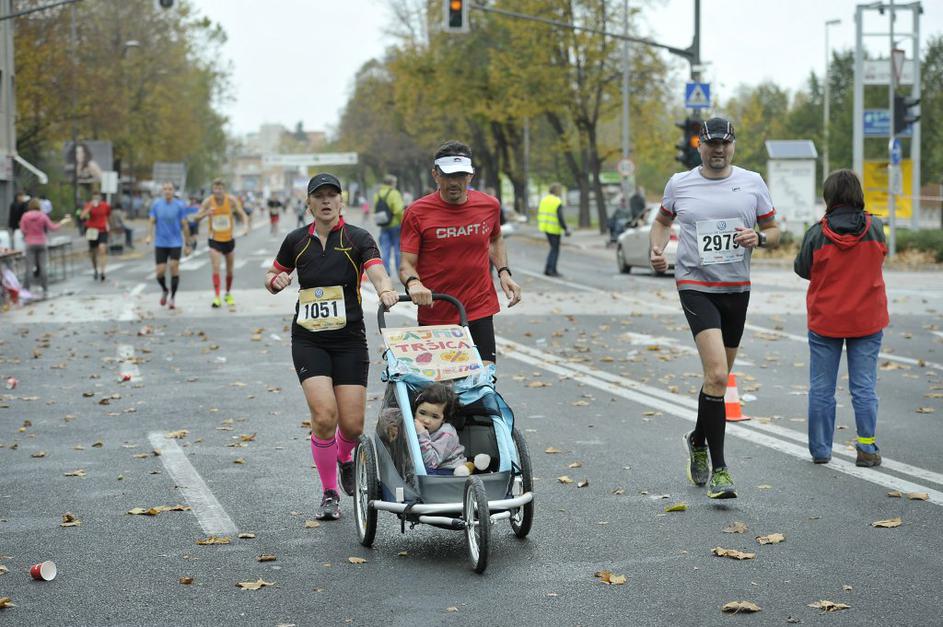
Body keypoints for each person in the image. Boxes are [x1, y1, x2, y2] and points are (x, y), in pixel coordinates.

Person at [650, 117, 780, 499]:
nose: (718, 150)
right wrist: (656, 250)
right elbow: (661, 222)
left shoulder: (753, 182)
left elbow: (774, 230)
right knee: (718, 375)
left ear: (733, 145)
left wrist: (761, 237)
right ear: (700, 146)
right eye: (711, 144)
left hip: (736, 289)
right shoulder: (680, 183)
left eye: (725, 143)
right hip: (695, 286)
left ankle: (697, 438)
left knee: (716, 381)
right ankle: (721, 471)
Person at [264, 173, 399, 520]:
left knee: (352, 427)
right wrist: (276, 281)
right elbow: (273, 275)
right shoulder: (297, 241)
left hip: (349, 340)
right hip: (309, 340)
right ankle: (328, 493)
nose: (326, 201)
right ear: (308, 203)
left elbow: (377, 270)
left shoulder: (357, 238)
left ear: (341, 202)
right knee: (325, 416)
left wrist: (384, 288)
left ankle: (344, 459)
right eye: (318, 196)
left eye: (331, 196)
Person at [794, 169, 888, 467]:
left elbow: (802, 269)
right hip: (867, 319)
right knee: (864, 386)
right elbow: (881, 256)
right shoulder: (876, 227)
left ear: (829, 197)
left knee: (821, 387)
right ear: (857, 194)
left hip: (826, 321)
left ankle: (821, 451)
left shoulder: (817, 233)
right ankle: (866, 448)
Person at [399, 140, 522, 366]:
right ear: (435, 175)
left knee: (483, 384)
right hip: (436, 309)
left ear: (471, 176)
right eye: (447, 176)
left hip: (479, 306)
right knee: (441, 393)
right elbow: (406, 263)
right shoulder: (417, 212)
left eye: (460, 175)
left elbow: (495, 238)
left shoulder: (489, 205)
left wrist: (504, 272)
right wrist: (414, 284)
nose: (454, 183)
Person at [194, 179, 249, 308]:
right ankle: (217, 296)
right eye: (216, 189)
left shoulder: (231, 200)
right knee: (216, 267)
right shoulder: (208, 201)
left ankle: (228, 293)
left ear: (224, 189)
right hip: (214, 240)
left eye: (220, 189)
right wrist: (205, 214)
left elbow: (242, 214)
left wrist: (246, 227)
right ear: (213, 189)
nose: (218, 191)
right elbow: (196, 218)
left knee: (230, 271)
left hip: (229, 239)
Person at [145, 182, 192, 309]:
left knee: (173, 267)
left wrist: (188, 244)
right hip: (160, 242)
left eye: (170, 189)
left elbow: (185, 224)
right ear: (162, 191)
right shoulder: (156, 205)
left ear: (173, 191)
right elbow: (151, 220)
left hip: (175, 242)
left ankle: (172, 298)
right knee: (160, 272)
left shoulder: (180, 205)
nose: (167, 191)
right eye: (165, 189)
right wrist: (149, 235)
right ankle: (165, 289)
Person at [19, 198, 70, 297]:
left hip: (30, 243)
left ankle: (26, 288)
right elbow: (53, 228)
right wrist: (62, 222)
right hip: (42, 242)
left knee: (29, 267)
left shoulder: (25, 216)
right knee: (43, 267)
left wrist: (28, 235)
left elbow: (23, 230)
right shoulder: (43, 216)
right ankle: (45, 288)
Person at [412, 383, 465, 475]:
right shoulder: (412, 423)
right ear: (415, 411)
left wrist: (422, 434)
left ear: (443, 419)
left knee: (422, 473)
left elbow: (431, 463)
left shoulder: (446, 433)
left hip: (448, 469)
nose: (427, 420)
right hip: (428, 467)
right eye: (422, 413)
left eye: (435, 417)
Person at [374, 174, 405, 277]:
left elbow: (376, 209)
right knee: (397, 249)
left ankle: (386, 270)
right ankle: (399, 270)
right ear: (392, 183)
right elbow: (398, 210)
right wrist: (403, 221)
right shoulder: (394, 193)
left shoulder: (378, 194)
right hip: (395, 224)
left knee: (385, 249)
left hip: (383, 224)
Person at [537, 183, 571, 277]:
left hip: (545, 227)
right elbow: (560, 217)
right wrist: (565, 228)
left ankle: (548, 269)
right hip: (554, 228)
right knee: (555, 250)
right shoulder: (557, 201)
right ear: (557, 190)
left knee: (553, 249)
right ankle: (552, 270)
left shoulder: (544, 200)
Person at [80, 192, 112, 281]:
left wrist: (109, 226)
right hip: (92, 230)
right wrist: (90, 207)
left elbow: (108, 216)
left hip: (102, 230)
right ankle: (95, 269)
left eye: (98, 197)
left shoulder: (106, 206)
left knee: (102, 249)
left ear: (100, 198)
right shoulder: (89, 205)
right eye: (94, 197)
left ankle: (103, 272)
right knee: (93, 252)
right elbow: (82, 216)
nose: (96, 199)